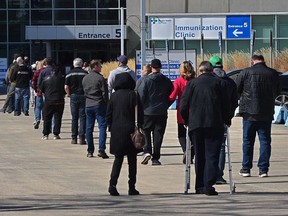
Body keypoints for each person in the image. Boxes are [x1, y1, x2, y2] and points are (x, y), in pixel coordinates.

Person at [180, 61, 229, 196]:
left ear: (200, 71)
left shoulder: (192, 84)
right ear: (211, 70)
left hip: (196, 124)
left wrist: (186, 120)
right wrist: (227, 119)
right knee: (212, 155)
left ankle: (199, 185)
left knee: (200, 155)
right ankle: (208, 185)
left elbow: (183, 105)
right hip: (214, 123)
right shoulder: (219, 83)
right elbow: (226, 104)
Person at [236, 54, 280, 178]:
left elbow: (237, 89)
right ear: (263, 61)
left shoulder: (245, 72)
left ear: (253, 61)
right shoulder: (272, 73)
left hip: (249, 113)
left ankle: (246, 168)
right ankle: (263, 169)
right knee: (265, 141)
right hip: (266, 112)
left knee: (247, 141)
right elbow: (277, 91)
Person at [106, 72, 144, 196]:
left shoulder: (114, 96)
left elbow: (109, 114)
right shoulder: (134, 95)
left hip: (117, 131)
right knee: (132, 160)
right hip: (131, 131)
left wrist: (110, 127)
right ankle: (131, 186)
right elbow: (140, 114)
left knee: (118, 159)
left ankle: (112, 185)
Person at [137, 58, 173, 166]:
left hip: (147, 111)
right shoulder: (166, 81)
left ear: (151, 67)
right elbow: (171, 96)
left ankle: (147, 151)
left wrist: (141, 108)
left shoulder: (146, 80)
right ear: (160, 67)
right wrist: (166, 105)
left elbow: (141, 95)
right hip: (161, 111)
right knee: (158, 135)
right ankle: (156, 158)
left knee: (146, 132)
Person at [209, 56, 238, 184]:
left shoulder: (210, 81)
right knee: (221, 147)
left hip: (209, 118)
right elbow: (234, 102)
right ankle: (219, 175)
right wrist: (229, 116)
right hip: (224, 119)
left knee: (208, 147)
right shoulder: (230, 82)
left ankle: (210, 174)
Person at [169, 61, 196, 164]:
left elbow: (172, 96)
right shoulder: (194, 81)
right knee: (193, 135)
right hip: (194, 110)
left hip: (182, 110)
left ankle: (185, 150)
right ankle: (191, 154)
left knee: (181, 134)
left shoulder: (178, 81)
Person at [82, 59, 109, 159]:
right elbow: (104, 93)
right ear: (95, 66)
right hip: (99, 104)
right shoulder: (100, 78)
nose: (101, 67)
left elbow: (84, 91)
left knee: (89, 128)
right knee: (102, 127)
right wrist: (107, 104)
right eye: (100, 66)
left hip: (88, 104)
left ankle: (90, 150)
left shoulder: (85, 78)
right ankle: (101, 149)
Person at [65, 58, 88, 145]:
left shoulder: (69, 73)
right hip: (83, 96)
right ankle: (82, 138)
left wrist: (68, 94)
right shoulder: (85, 73)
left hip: (73, 96)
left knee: (74, 117)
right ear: (81, 64)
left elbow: (66, 86)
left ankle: (74, 138)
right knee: (82, 117)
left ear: (73, 64)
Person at [39, 66, 66, 140]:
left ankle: (45, 134)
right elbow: (64, 90)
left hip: (49, 101)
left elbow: (42, 89)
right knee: (58, 118)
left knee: (47, 118)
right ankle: (56, 134)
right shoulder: (62, 79)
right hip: (59, 101)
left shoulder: (46, 79)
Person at [31, 59, 46, 129]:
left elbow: (33, 81)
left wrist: (36, 90)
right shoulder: (50, 71)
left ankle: (37, 119)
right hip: (48, 93)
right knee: (46, 107)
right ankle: (45, 119)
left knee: (38, 107)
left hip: (39, 92)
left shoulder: (38, 72)